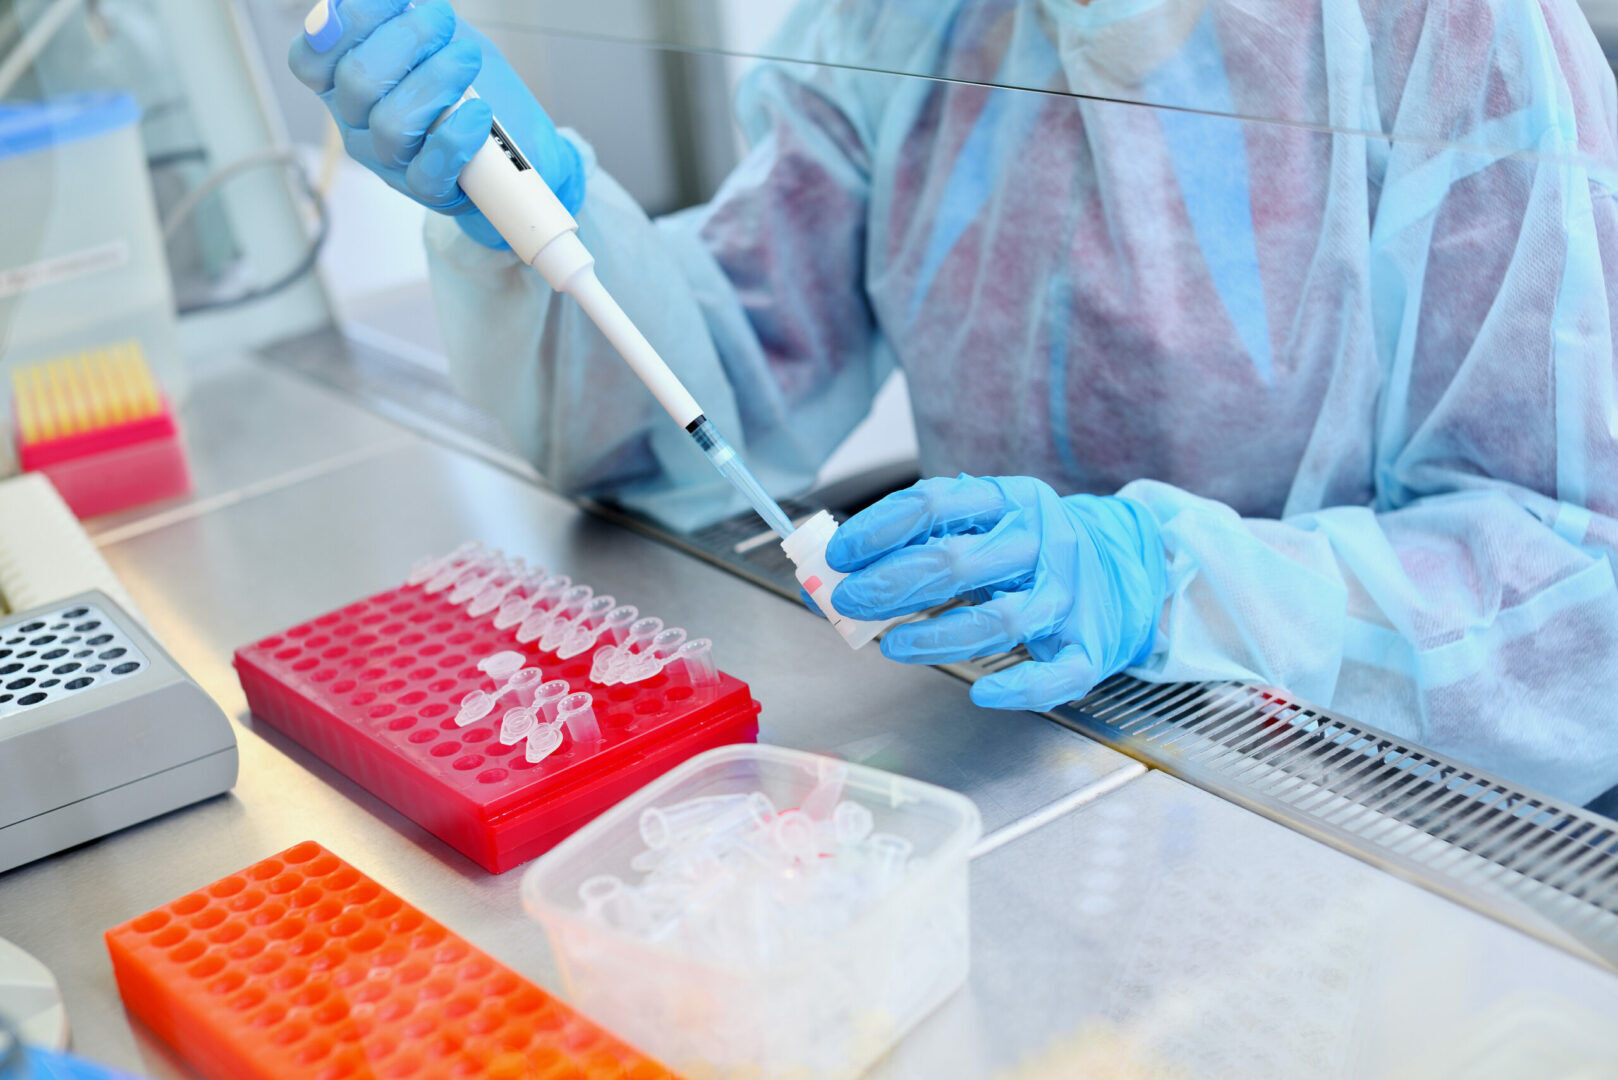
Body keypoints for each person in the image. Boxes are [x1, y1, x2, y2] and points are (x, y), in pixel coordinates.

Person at [290, 0, 1618, 806]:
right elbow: (688, 422)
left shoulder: (1445, 36)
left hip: (1371, 822)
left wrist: (1165, 585)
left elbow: (1574, 582)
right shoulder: (906, 24)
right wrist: (535, 215)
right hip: (1014, 756)